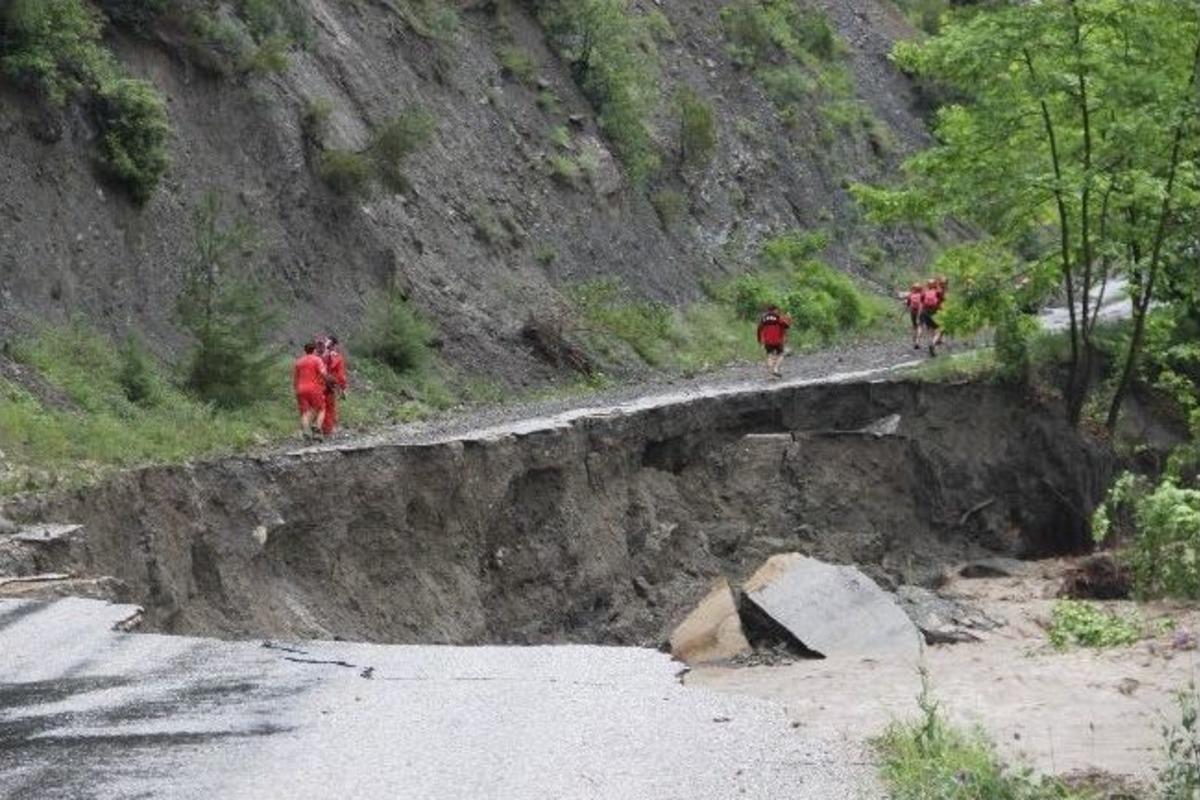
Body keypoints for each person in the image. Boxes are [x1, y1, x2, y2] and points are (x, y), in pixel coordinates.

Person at [293, 341, 328, 438]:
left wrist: (295, 389)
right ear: (315, 350)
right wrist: (328, 381)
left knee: (305, 411)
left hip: (300, 389)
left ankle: (306, 431)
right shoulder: (317, 360)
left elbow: (295, 378)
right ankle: (317, 429)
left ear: (305, 350)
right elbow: (323, 373)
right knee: (321, 408)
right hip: (314, 388)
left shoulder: (298, 362)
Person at [321, 335, 348, 437]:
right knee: (329, 407)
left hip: (318, 384)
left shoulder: (319, 355)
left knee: (319, 407)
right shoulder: (337, 357)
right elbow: (341, 376)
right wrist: (343, 388)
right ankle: (327, 431)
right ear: (335, 345)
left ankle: (318, 428)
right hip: (330, 385)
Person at [756, 304, 792, 378]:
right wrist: (789, 318)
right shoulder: (778, 318)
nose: (778, 311)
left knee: (770, 356)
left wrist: (759, 340)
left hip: (767, 341)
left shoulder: (763, 319)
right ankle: (775, 369)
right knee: (781, 354)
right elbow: (786, 326)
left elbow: (759, 329)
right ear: (775, 310)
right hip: (778, 341)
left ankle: (771, 372)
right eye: (777, 310)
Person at [920, 279, 945, 357]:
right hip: (934, 312)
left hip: (925, 313)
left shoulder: (924, 292)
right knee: (940, 329)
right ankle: (933, 344)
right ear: (935, 285)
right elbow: (942, 301)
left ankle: (932, 347)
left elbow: (921, 301)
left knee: (931, 329)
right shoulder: (938, 292)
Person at [904, 282, 925, 349]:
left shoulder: (911, 295)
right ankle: (917, 341)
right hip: (920, 311)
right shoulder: (922, 295)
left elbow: (908, 304)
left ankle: (914, 341)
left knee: (914, 326)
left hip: (913, 311)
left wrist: (907, 307)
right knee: (920, 326)